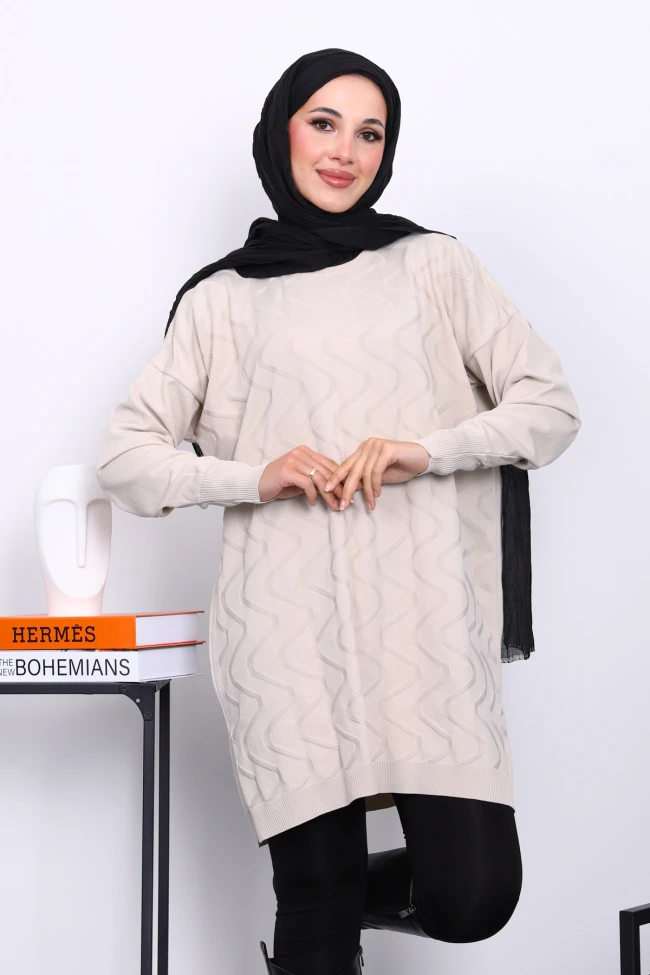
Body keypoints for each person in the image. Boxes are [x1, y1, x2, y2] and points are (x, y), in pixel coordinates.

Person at [95, 49, 581, 975]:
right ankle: (315, 915)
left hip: (425, 624)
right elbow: (127, 459)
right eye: (323, 123)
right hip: (286, 635)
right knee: (317, 913)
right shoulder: (221, 299)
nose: (345, 151)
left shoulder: (433, 264)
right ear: (280, 132)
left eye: (370, 132)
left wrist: (425, 449)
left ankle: (319, 907)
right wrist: (255, 475)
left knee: (473, 895)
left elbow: (549, 408)